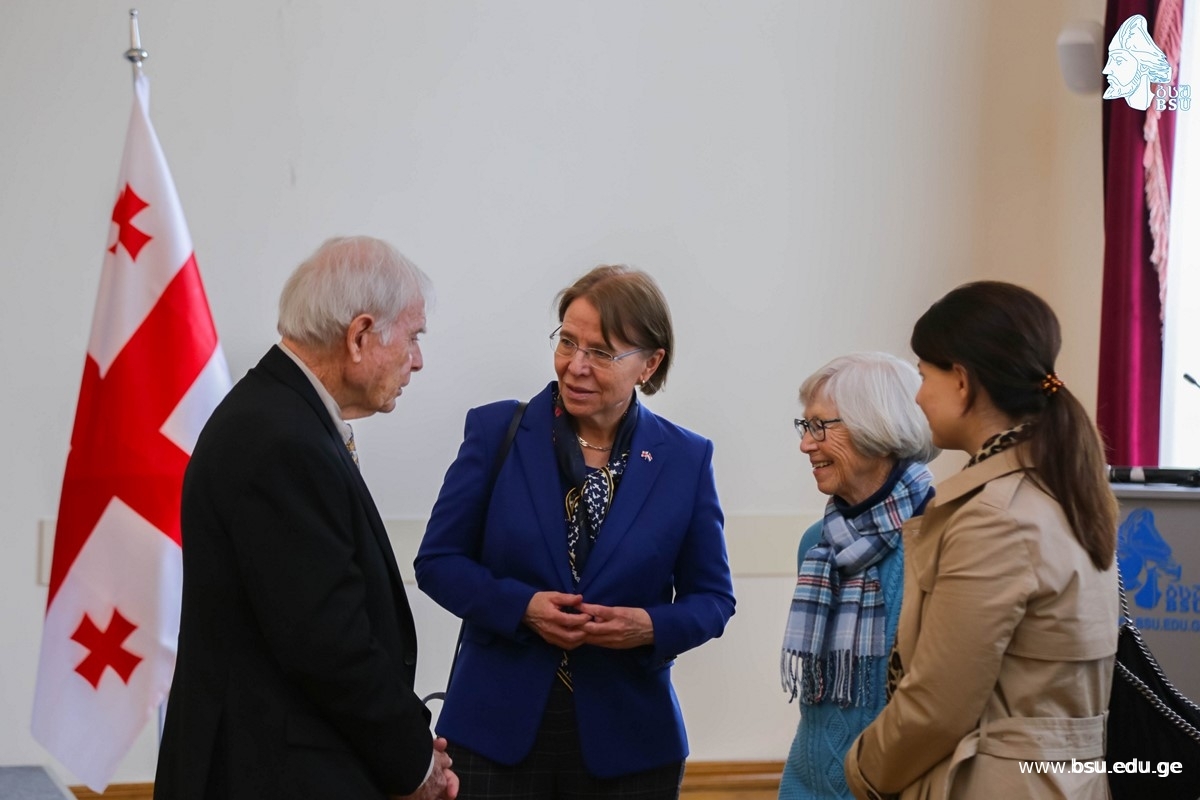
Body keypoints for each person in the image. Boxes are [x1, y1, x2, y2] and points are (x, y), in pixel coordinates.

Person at [414, 264, 736, 799]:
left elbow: (713, 599)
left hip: (631, 743)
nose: (576, 365)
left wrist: (648, 626)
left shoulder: (685, 458)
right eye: (567, 342)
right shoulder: (497, 432)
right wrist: (522, 608)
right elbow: (438, 562)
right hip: (495, 733)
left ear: (650, 363)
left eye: (602, 352)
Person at [155, 236, 457, 800]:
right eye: (413, 336)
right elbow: (329, 646)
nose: (417, 359)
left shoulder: (278, 416)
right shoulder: (281, 440)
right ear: (360, 336)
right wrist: (415, 764)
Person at [845, 281, 1119, 799]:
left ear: (962, 381)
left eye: (924, 376)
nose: (919, 396)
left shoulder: (997, 519)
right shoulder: (1060, 488)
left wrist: (861, 772)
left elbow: (937, 705)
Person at [778, 353, 937, 800]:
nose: (805, 445)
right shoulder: (816, 545)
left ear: (878, 427)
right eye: (804, 426)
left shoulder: (941, 541)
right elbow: (819, 714)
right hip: (808, 789)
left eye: (819, 426)